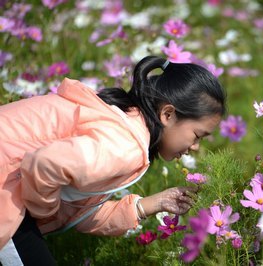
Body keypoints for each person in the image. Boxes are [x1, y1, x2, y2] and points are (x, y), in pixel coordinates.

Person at [0, 55, 226, 265]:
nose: (195, 147)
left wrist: (154, 204)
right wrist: (43, 211)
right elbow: (44, 164)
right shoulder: (124, 145)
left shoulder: (121, 121)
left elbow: (79, 210)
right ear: (167, 114)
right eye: (197, 136)